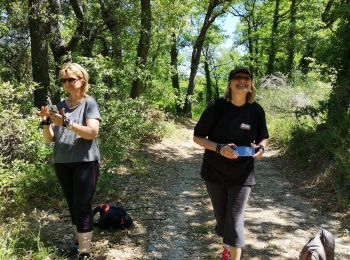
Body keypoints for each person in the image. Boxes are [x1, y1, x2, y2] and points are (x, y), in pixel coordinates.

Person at [193, 67, 269, 260]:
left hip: (242, 175)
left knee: (234, 219)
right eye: (238, 78)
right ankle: (227, 243)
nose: (242, 82)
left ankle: (231, 252)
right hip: (214, 173)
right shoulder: (216, 107)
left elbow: (264, 138)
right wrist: (220, 148)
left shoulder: (256, 110)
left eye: (247, 79)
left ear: (251, 85)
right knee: (222, 219)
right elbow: (198, 137)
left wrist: (261, 148)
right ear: (230, 83)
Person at [39, 63, 101, 260]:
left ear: (81, 80)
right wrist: (47, 122)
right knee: (72, 204)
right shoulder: (60, 106)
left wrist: (66, 122)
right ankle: (77, 244)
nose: (66, 83)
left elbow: (91, 133)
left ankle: (85, 251)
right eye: (63, 80)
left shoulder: (89, 103)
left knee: (82, 205)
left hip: (85, 161)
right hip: (62, 161)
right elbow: (50, 139)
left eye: (71, 79)